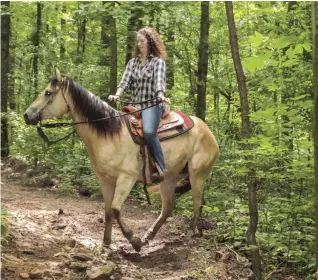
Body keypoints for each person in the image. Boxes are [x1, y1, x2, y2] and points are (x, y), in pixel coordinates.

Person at [108, 27, 170, 180]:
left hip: (152, 104)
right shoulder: (132, 62)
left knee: (149, 131)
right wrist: (117, 95)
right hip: (135, 105)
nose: (139, 44)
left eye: (142, 41)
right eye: (138, 41)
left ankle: (159, 166)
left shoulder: (158, 62)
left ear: (150, 41)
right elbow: (124, 82)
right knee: (117, 127)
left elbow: (159, 83)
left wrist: (160, 96)